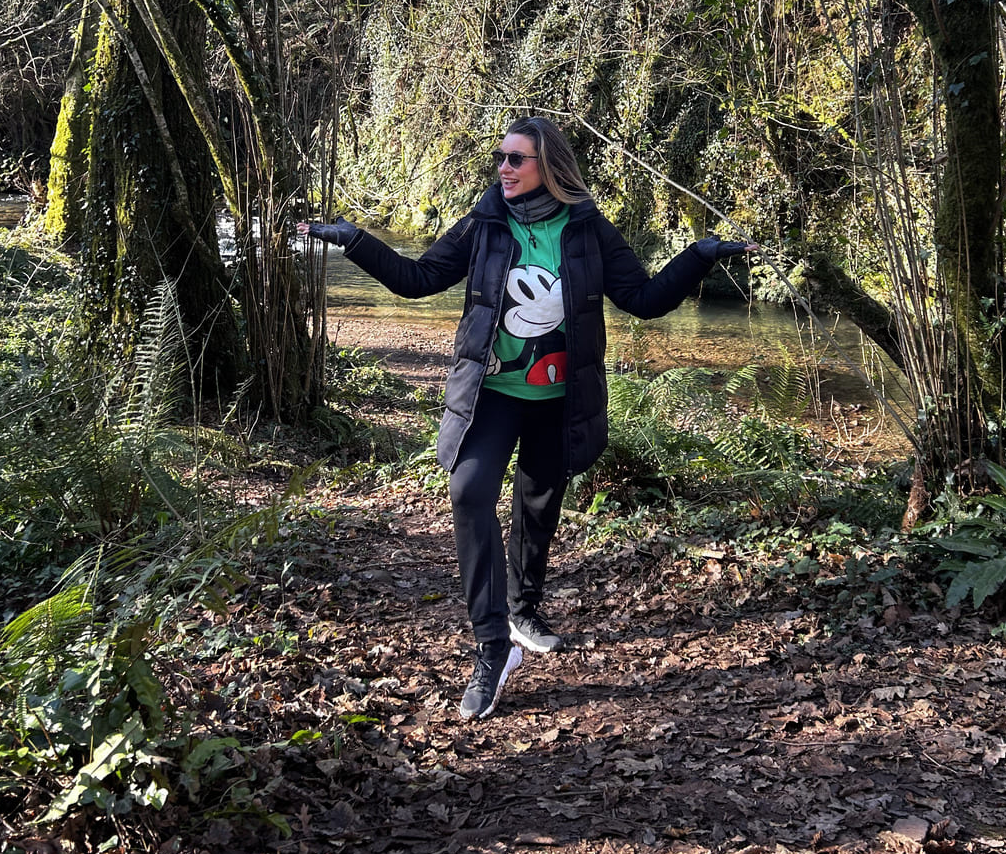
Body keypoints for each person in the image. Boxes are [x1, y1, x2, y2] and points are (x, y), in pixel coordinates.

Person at [302, 117, 752, 721]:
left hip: (559, 398)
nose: (504, 169)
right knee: (469, 490)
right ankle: (492, 648)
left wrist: (697, 257)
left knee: (538, 505)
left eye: (517, 159)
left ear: (550, 167)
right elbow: (419, 280)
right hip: (491, 391)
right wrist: (354, 238)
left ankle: (523, 610)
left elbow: (644, 300)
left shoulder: (588, 228)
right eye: (501, 159)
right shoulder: (484, 224)